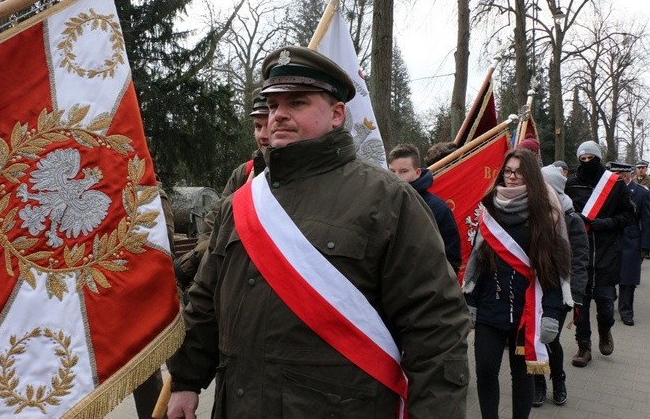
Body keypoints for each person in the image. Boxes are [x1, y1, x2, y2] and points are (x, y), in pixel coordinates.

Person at [166, 46, 471, 418]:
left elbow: (435, 327)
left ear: (337, 114)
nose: (278, 115)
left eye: (297, 103)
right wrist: (185, 381)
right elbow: (205, 302)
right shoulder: (239, 205)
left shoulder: (388, 200)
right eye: (273, 104)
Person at [463, 148, 570, 419]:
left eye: (518, 172)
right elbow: (478, 260)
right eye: (508, 171)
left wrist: (552, 313)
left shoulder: (545, 216)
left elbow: (553, 272)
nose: (511, 177)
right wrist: (470, 301)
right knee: (485, 371)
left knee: (522, 376)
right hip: (490, 307)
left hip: (527, 312)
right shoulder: (489, 208)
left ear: (530, 176)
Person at [172, 89, 269, 300]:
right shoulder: (242, 174)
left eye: (268, 125)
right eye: (257, 126)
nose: (262, 135)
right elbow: (213, 225)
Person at [565, 141, 634, 367]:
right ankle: (583, 346)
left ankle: (605, 331)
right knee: (580, 304)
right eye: (582, 159)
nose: (587, 162)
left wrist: (604, 223)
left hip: (607, 253)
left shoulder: (614, 184)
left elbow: (629, 215)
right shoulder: (572, 184)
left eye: (590, 158)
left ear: (598, 158)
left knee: (605, 304)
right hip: (579, 254)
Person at [532, 165, 589, 408]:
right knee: (533, 338)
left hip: (559, 289)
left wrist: (575, 294)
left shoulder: (571, 219)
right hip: (534, 288)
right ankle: (538, 383)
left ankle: (559, 380)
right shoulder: (532, 214)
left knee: (550, 337)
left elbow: (579, 259)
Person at [132, 185, 175, 419]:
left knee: (176, 365)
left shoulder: (153, 193)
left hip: (159, 290)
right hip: (136, 298)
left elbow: (164, 241)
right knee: (145, 373)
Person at [388, 143, 462, 272]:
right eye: (392, 171)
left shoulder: (438, 209)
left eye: (403, 171)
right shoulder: (380, 204)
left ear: (417, 172)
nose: (397, 177)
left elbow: (451, 259)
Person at [609, 162, 650, 326]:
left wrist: (645, 247)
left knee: (628, 280)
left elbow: (647, 221)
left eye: (617, 176)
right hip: (610, 240)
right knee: (608, 275)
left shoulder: (641, 193)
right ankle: (608, 304)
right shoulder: (607, 191)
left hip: (631, 241)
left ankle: (626, 312)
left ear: (625, 176)